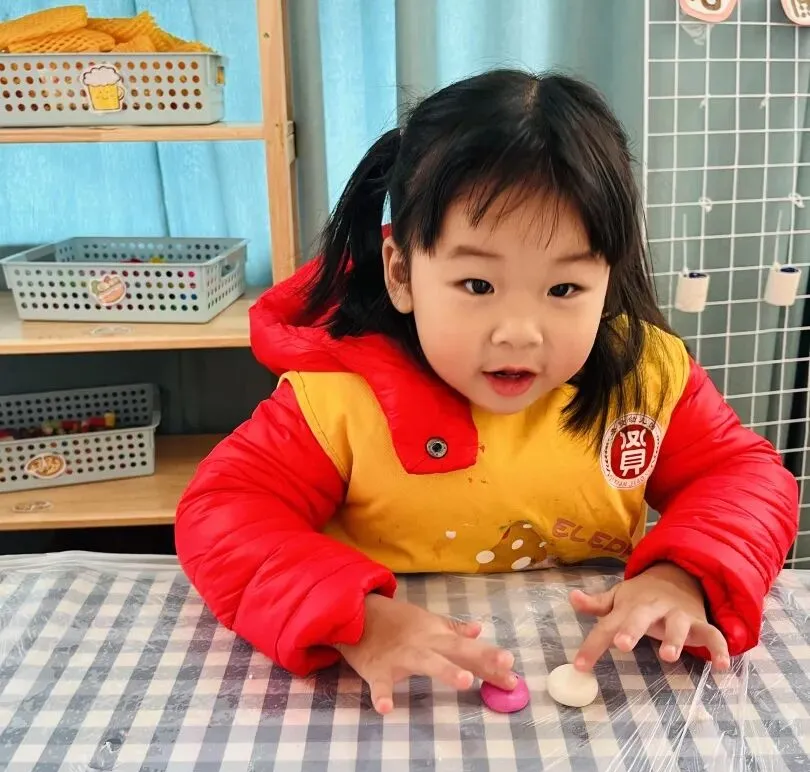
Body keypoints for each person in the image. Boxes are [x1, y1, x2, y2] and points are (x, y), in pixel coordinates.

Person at [175, 69, 798, 715]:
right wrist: (357, 620)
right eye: (477, 286)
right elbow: (222, 512)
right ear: (402, 275)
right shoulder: (337, 398)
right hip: (391, 702)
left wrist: (683, 576)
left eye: (564, 289)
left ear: (607, 280)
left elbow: (745, 477)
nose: (519, 332)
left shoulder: (647, 379)